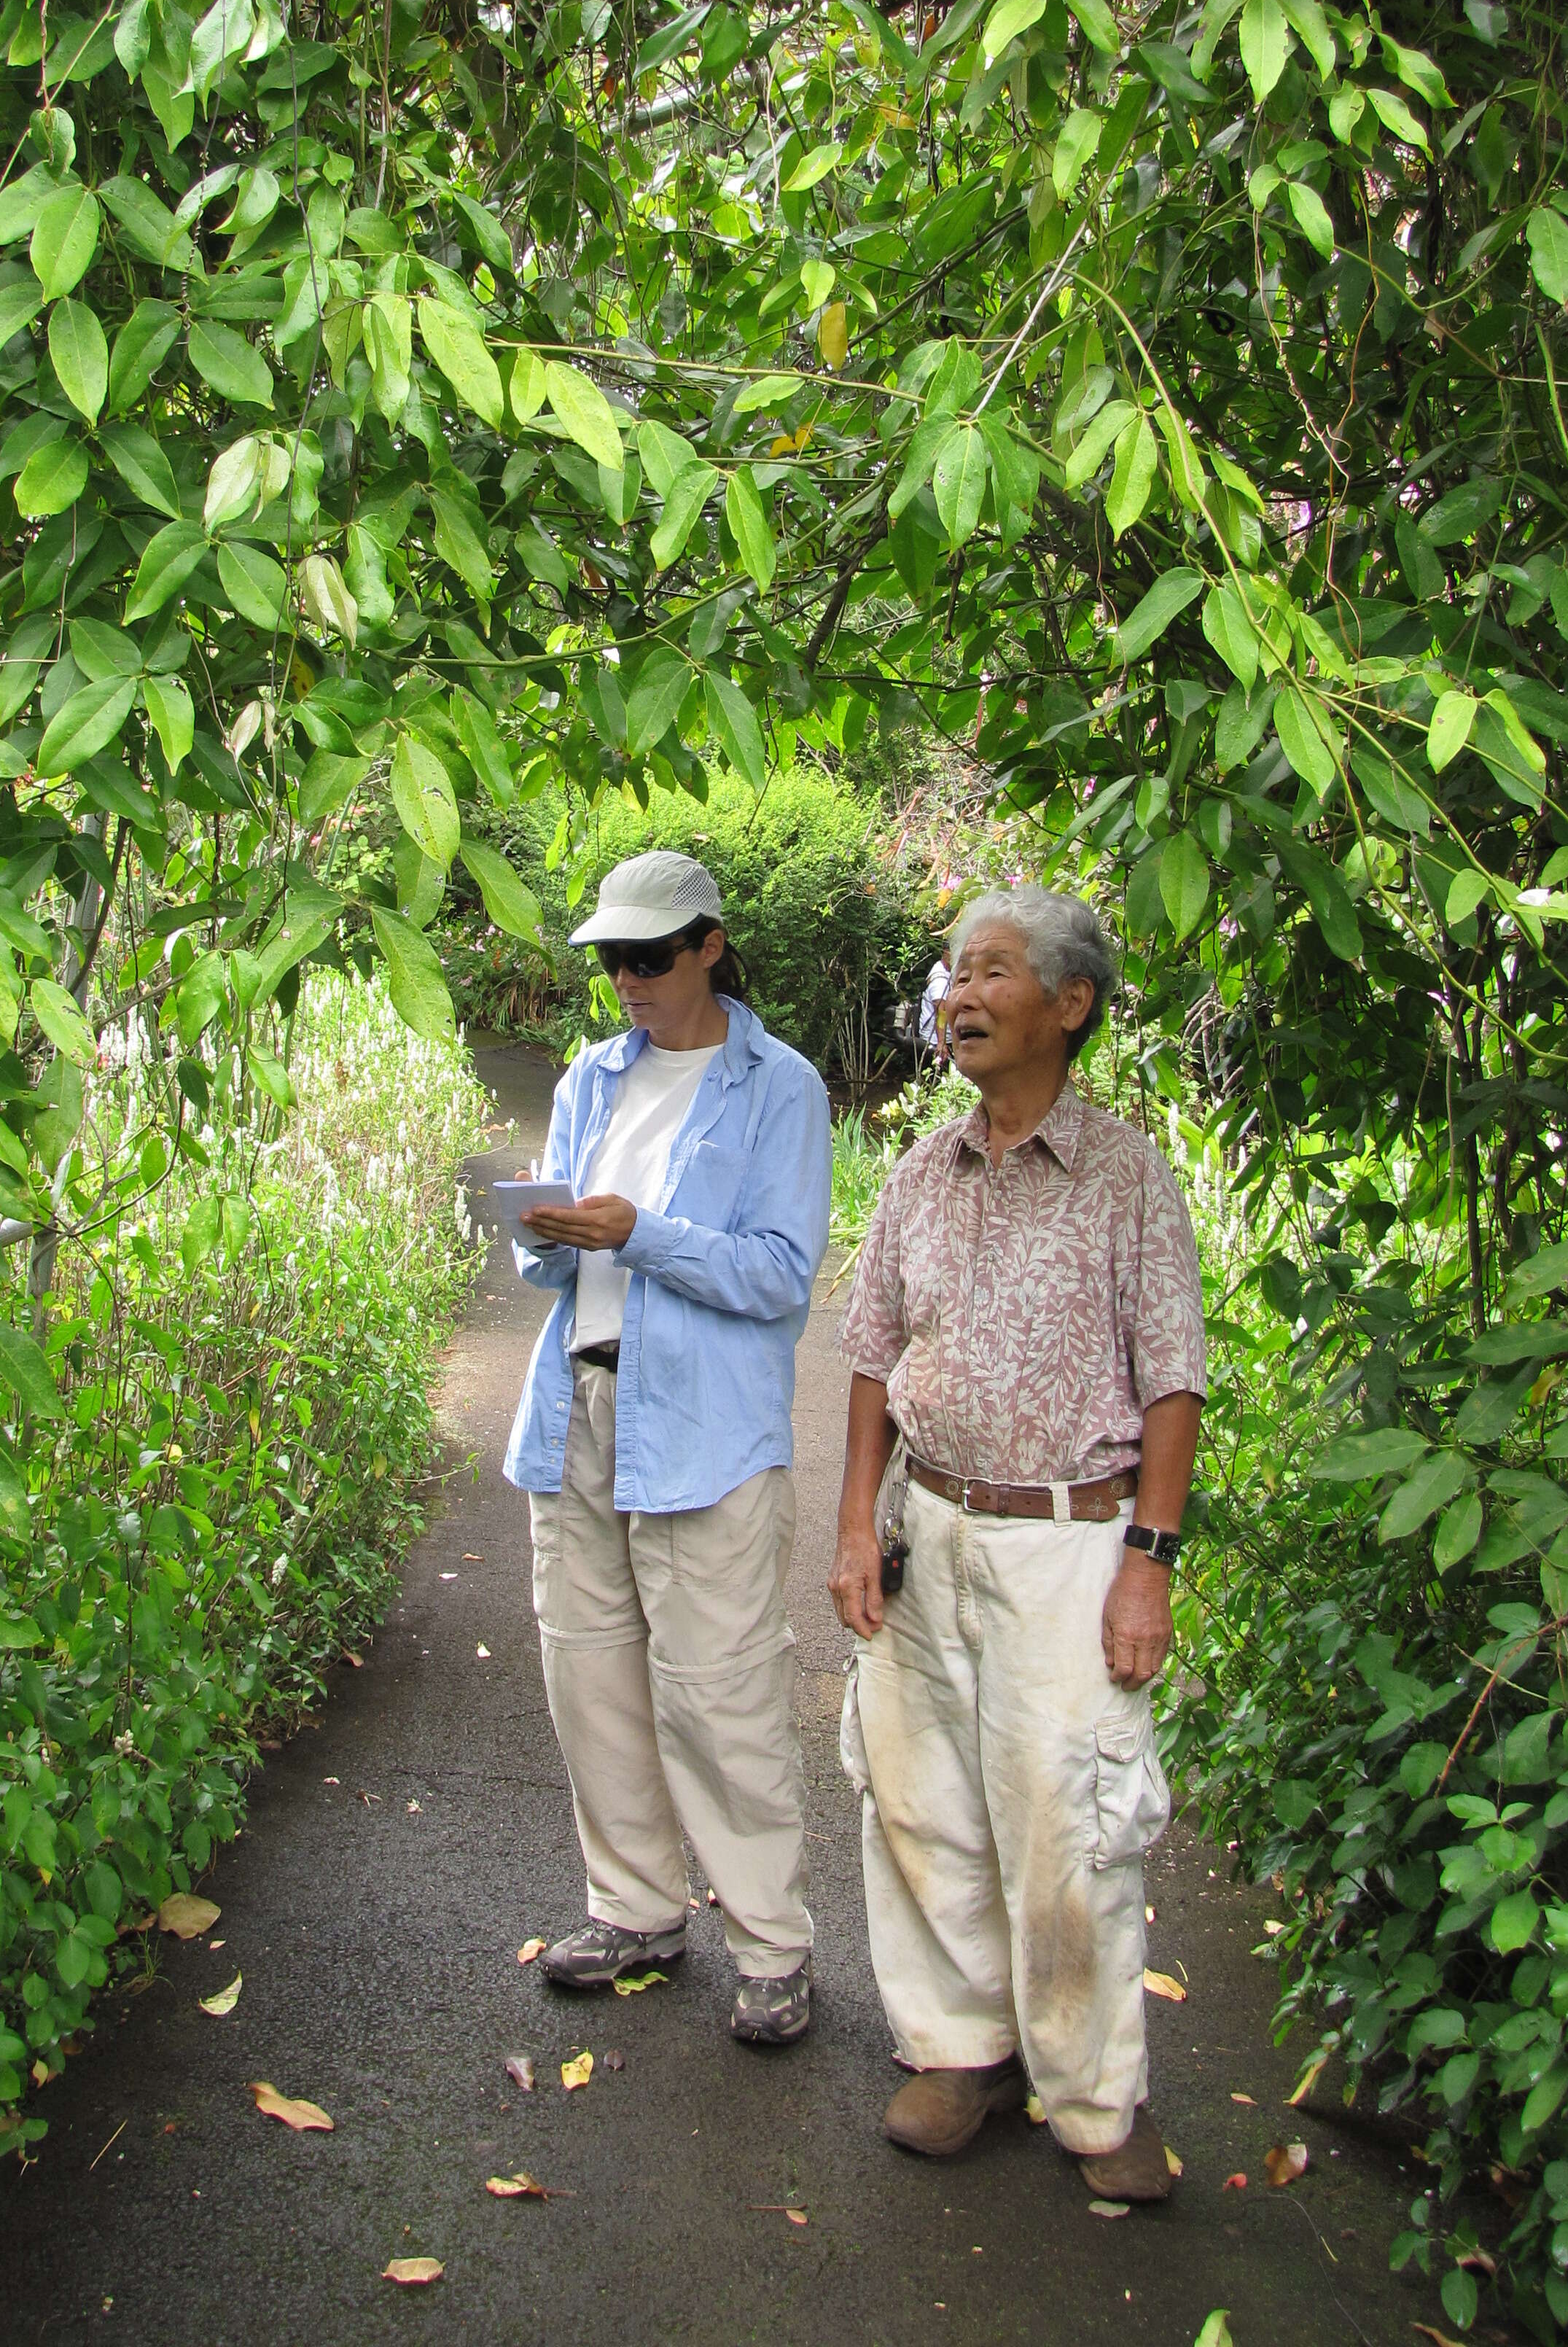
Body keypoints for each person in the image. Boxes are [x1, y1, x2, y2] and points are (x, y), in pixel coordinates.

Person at [828, 887, 1206, 2200]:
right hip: (927, 1529)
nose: (958, 995)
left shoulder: (1125, 1173)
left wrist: (1148, 1561)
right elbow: (871, 1356)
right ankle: (957, 2049)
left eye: (989, 972)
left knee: (1071, 1822)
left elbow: (1172, 1381)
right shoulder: (922, 1172)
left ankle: (1098, 2101)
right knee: (920, 1799)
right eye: (951, 972)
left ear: (1070, 1003)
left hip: (1069, 1542)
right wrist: (850, 1532)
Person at [507, 848, 832, 2045]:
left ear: (708, 944)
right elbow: (546, 1267)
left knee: (721, 1691)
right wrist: (545, 1234)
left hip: (701, 1428)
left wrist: (642, 1232)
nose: (630, 982)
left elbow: (777, 1274)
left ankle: (772, 1941)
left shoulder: (778, 1086)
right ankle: (634, 1907)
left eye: (649, 957)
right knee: (588, 1673)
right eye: (612, 961)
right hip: (579, 1408)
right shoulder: (592, 1075)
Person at [916, 951, 950, 1062]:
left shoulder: (945, 969)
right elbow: (941, 1012)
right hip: (935, 1039)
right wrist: (942, 1043)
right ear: (947, 953)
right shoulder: (940, 981)